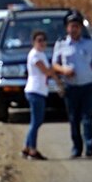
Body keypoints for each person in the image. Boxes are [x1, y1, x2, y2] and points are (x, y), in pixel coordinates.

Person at [51, 12, 92, 158]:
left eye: (77, 26)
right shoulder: (61, 45)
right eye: (72, 26)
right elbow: (54, 65)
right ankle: (76, 148)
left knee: (87, 117)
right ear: (67, 28)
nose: (74, 29)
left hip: (87, 86)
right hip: (71, 87)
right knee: (73, 119)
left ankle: (89, 147)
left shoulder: (89, 44)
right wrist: (64, 70)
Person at [23, 30, 59, 160]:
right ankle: (32, 149)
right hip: (35, 90)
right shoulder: (35, 55)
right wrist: (55, 70)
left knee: (36, 121)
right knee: (36, 121)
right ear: (33, 42)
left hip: (40, 90)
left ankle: (27, 147)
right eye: (39, 40)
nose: (42, 42)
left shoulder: (41, 54)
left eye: (44, 40)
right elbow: (46, 71)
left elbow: (49, 71)